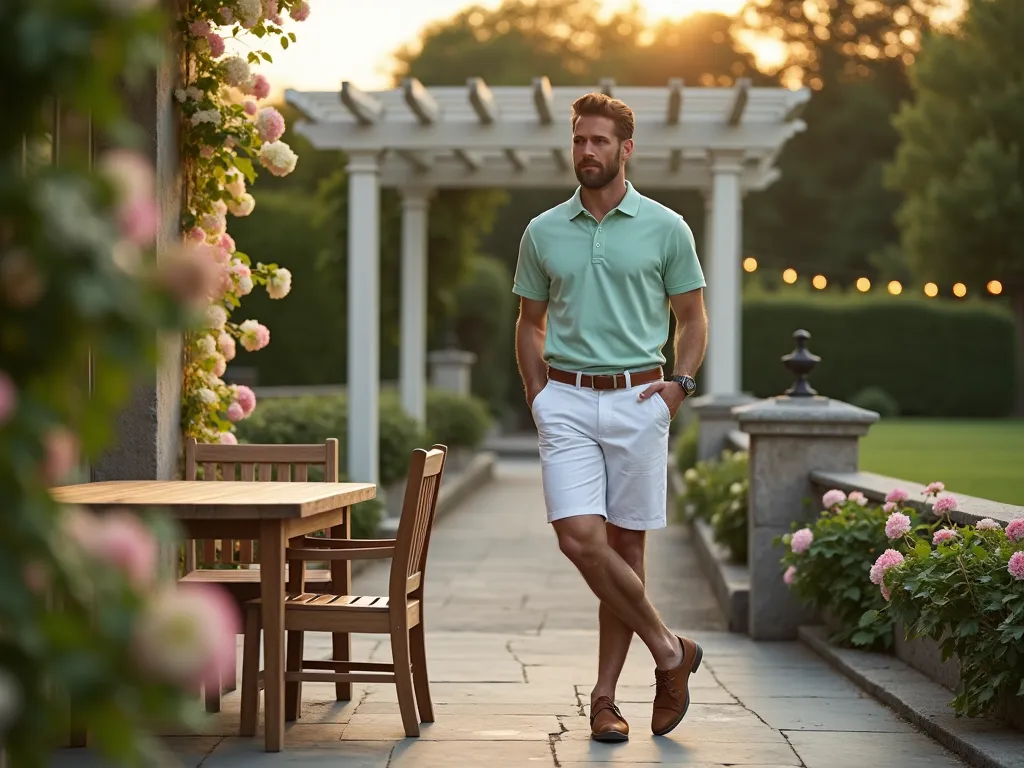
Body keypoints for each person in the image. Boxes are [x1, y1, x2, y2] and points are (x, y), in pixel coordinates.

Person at [512, 92, 709, 743]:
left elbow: (692, 316)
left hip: (640, 399)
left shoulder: (667, 227)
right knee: (578, 538)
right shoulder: (542, 231)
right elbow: (529, 323)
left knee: (625, 548)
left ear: (627, 149)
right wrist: (538, 394)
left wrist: (680, 384)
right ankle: (670, 649)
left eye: (599, 141)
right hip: (565, 398)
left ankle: (604, 699)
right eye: (579, 141)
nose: (587, 152)